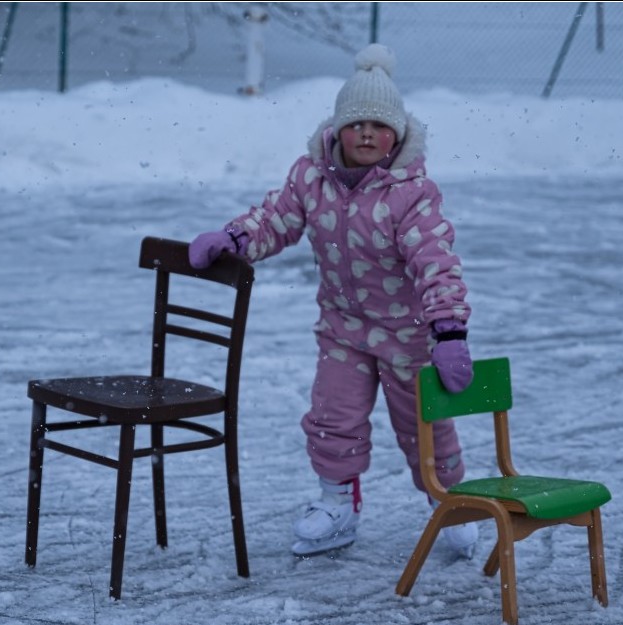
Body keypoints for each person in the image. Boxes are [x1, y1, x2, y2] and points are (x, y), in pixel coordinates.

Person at [189, 44, 478, 558]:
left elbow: (436, 261)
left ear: (398, 135)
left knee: (424, 425)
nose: (367, 133)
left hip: (406, 333)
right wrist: (234, 238)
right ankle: (337, 503)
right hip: (344, 328)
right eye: (356, 123)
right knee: (332, 416)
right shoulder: (310, 177)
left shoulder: (411, 193)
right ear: (338, 130)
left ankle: (451, 501)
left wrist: (449, 331)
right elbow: (276, 220)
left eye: (380, 125)